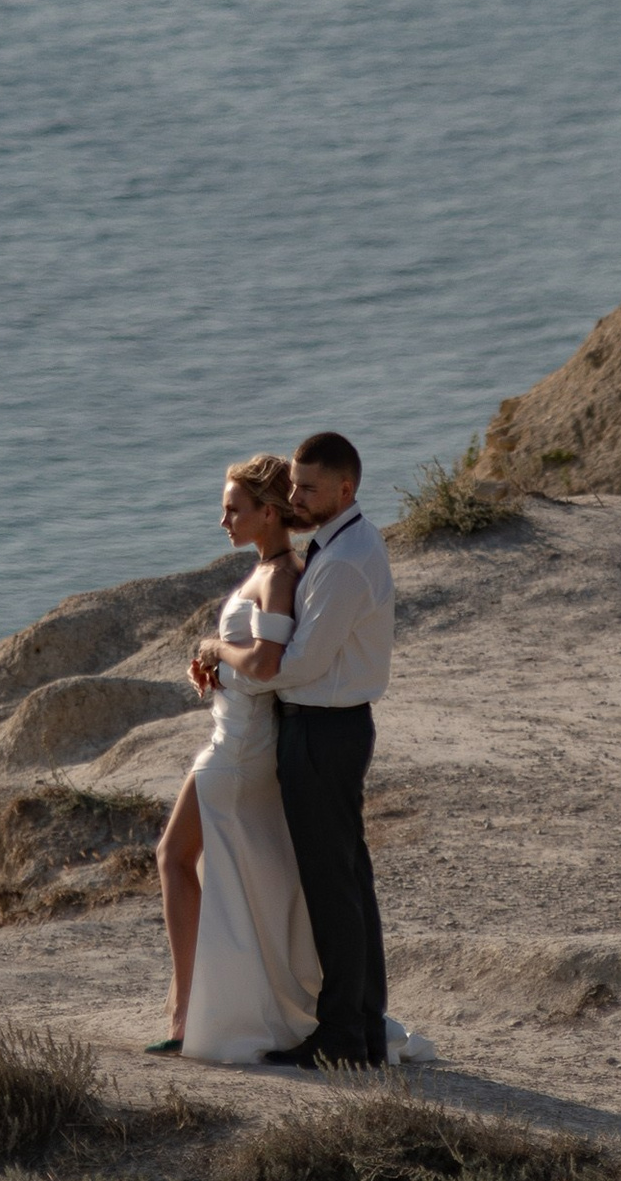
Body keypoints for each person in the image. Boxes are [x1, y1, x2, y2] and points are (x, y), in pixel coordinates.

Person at [149, 453, 319, 1060]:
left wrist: (216, 647)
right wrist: (218, 669)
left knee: (174, 856)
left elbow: (268, 665)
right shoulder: (270, 569)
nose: (223, 518)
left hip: (239, 749)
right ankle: (191, 1006)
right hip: (235, 734)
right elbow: (257, 665)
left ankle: (185, 1012)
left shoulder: (279, 575)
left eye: (234, 509)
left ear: (268, 513)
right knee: (210, 868)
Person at [259, 431, 394, 1068]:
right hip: (332, 727)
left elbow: (306, 663)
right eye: (293, 483)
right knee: (348, 882)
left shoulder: (341, 561)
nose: (295, 496)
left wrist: (235, 667)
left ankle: (343, 1036)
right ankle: (362, 1027)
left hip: (323, 730)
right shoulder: (343, 543)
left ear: (346, 489)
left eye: (308, 487)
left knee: (332, 887)